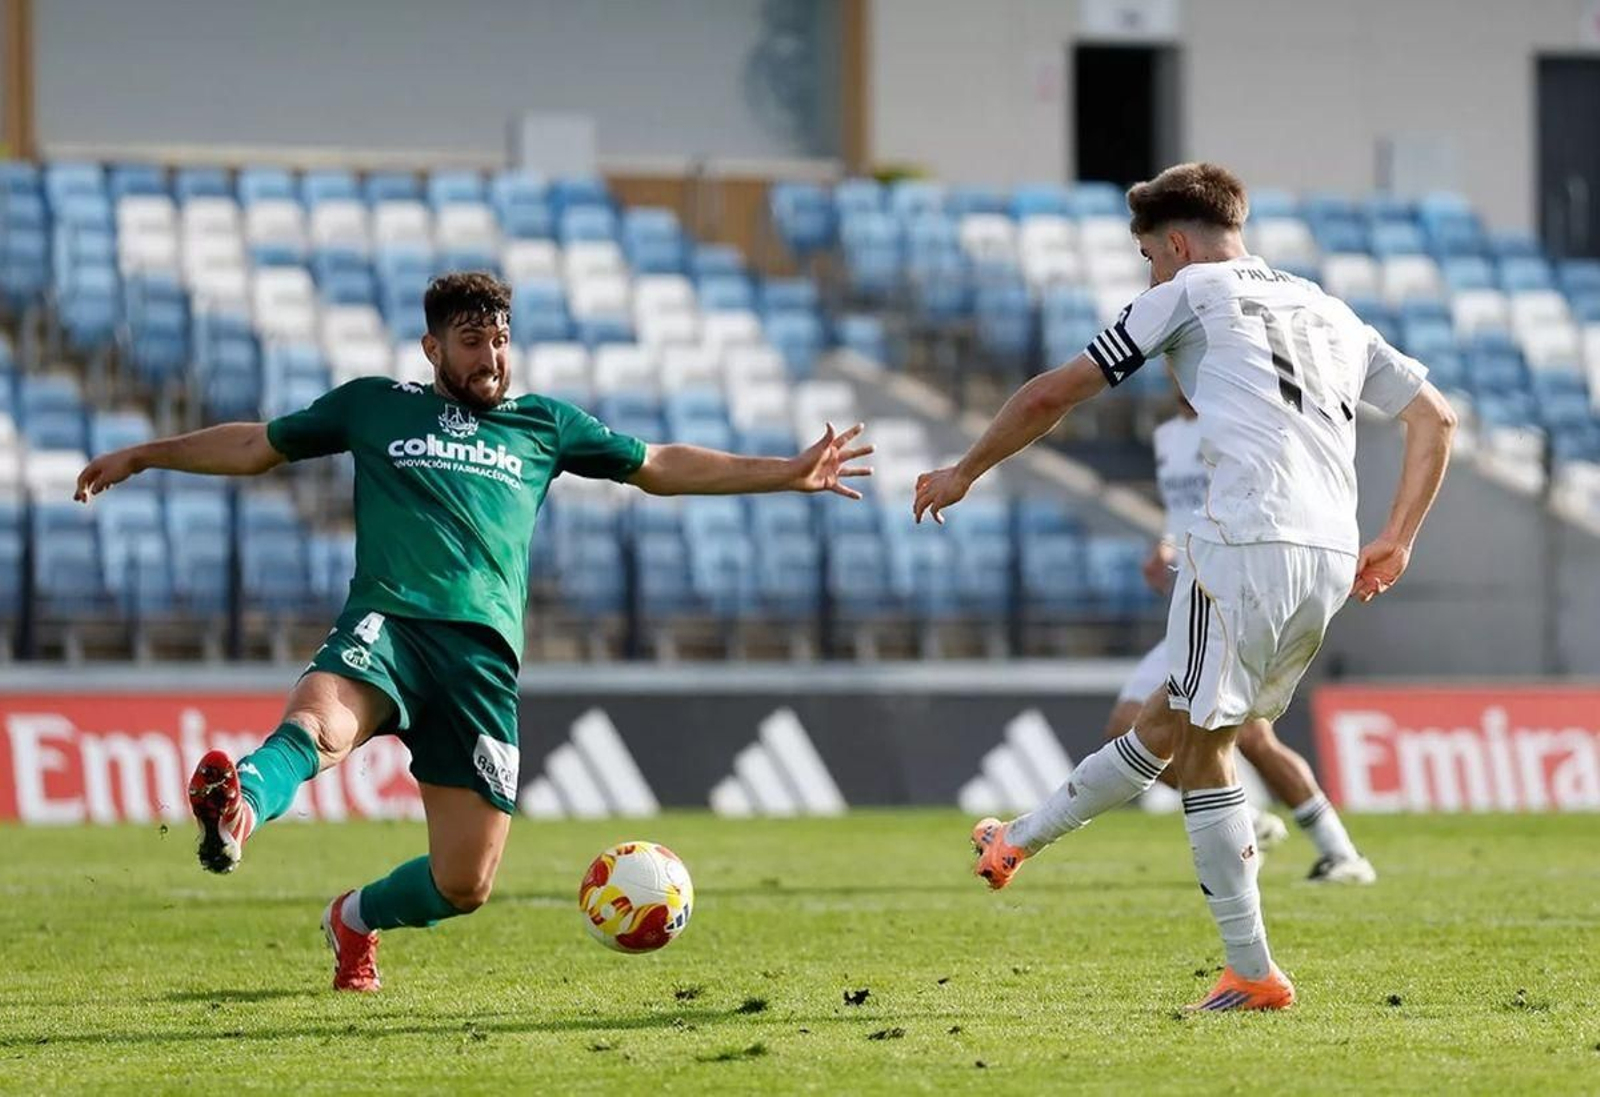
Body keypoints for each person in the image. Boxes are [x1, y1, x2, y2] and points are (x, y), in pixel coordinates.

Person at [74, 271, 873, 993]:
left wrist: (784, 470)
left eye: (500, 340)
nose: (491, 356)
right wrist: (147, 454)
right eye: (471, 341)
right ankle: (238, 801)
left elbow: (658, 462)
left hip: (481, 664)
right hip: (387, 624)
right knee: (318, 727)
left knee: (466, 884)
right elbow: (256, 444)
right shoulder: (375, 404)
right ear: (432, 346)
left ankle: (354, 918)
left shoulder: (543, 425)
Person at [913, 163, 1456, 1011]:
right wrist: (1400, 538)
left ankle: (1251, 969)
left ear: (1173, 242)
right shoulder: (1329, 308)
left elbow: (1058, 391)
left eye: (1147, 258)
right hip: (1328, 550)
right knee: (1170, 721)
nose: (1149, 275)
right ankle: (1013, 841)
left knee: (1205, 747)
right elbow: (1437, 417)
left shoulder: (1189, 291)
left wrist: (965, 469)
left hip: (1242, 536)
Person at [1109, 398, 1376, 884]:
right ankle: (1298, 837)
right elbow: (1184, 512)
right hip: (1195, 600)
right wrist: (1166, 546)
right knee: (1227, 734)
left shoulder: (1234, 418)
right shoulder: (1169, 436)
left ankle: (1299, 838)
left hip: (1234, 597)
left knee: (1232, 734)